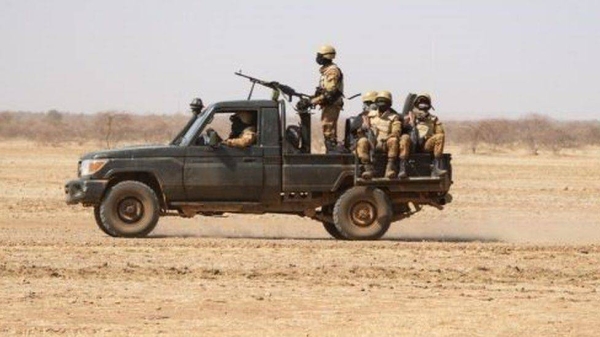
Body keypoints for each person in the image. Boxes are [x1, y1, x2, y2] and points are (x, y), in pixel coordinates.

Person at [356, 91, 401, 179]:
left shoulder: (394, 117)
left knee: (394, 140)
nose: (382, 104)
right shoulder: (369, 116)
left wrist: (387, 138)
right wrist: (363, 128)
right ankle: (368, 169)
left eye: (384, 102)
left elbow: (396, 131)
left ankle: (389, 168)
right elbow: (359, 131)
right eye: (380, 101)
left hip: (385, 144)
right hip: (371, 142)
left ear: (389, 104)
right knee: (362, 141)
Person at [310, 45, 344, 153]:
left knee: (328, 128)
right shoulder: (326, 71)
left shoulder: (331, 71)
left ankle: (332, 151)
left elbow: (330, 92)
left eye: (319, 55)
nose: (317, 58)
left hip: (332, 104)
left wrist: (313, 101)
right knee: (327, 128)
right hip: (328, 104)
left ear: (326, 56)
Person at [408, 93, 447, 177]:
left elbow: (440, 133)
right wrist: (410, 121)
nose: (423, 105)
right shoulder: (410, 116)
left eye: (425, 103)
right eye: (421, 102)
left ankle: (436, 167)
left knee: (440, 137)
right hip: (411, 145)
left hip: (426, 145)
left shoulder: (433, 119)